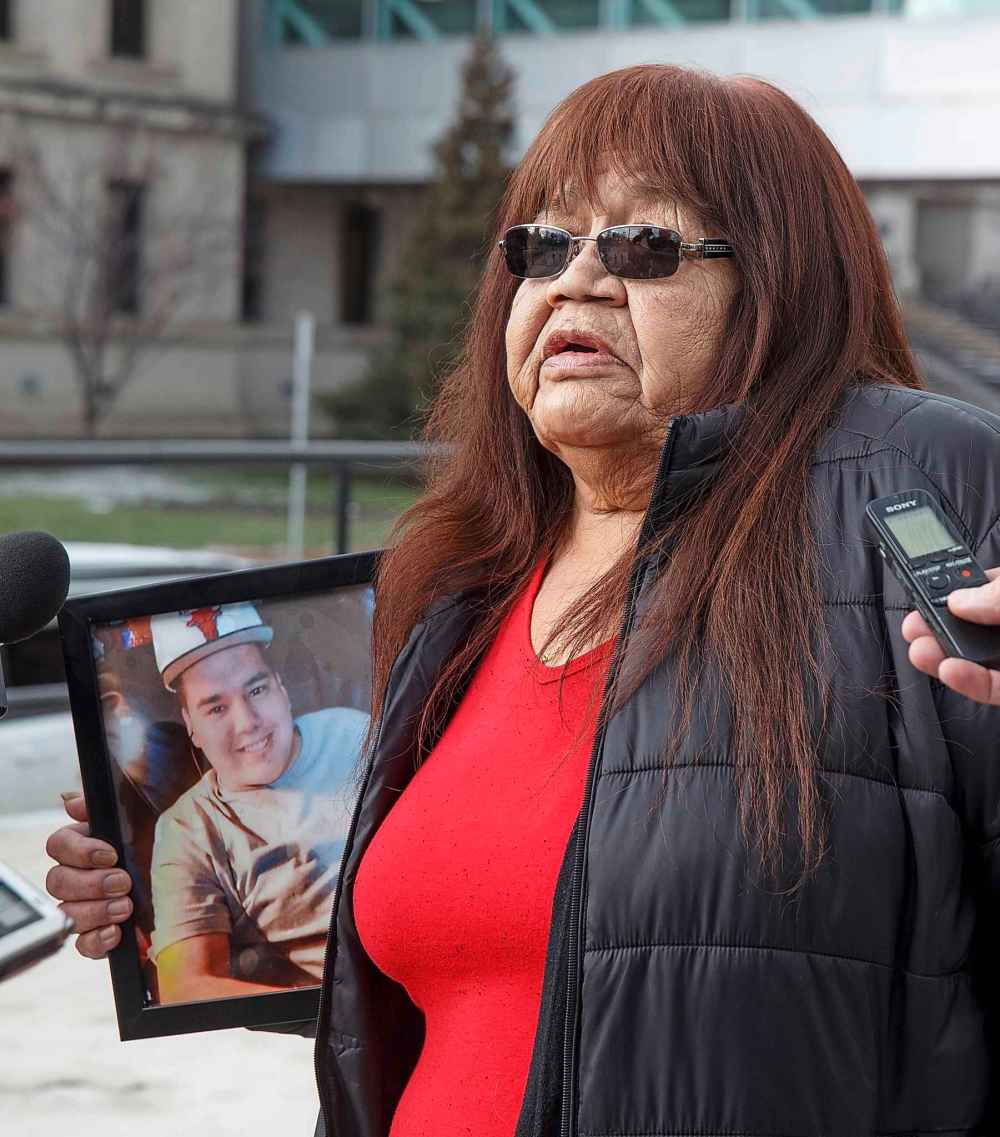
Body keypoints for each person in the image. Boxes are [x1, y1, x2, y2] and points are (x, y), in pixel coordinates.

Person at [45, 64, 1000, 1135]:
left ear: (782, 284)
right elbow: (487, 974)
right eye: (542, 246)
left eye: (644, 247)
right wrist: (174, 926)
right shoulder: (455, 595)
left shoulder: (920, 483)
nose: (574, 282)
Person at [95, 601, 367, 1004]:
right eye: (216, 707)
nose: (247, 721)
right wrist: (342, 1008)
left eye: (256, 689)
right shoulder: (190, 829)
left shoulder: (357, 732)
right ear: (191, 726)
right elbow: (183, 986)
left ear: (282, 688)